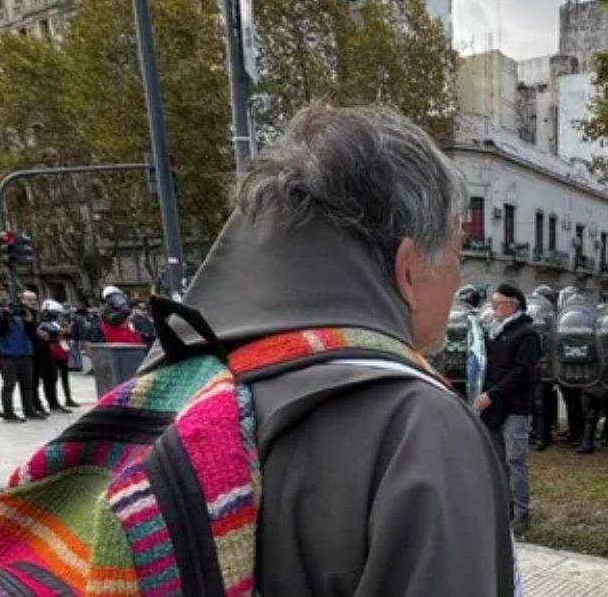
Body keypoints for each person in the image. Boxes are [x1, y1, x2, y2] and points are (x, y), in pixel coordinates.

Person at [144, 105, 515, 594]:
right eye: (455, 255)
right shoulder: (418, 425)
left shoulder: (181, 377)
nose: (458, 278)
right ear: (407, 268)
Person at [477, 283, 540, 535]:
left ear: (513, 305)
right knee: (496, 460)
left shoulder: (527, 334)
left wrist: (492, 394)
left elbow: (522, 373)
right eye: (492, 303)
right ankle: (503, 508)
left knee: (515, 460)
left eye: (498, 303)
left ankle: (521, 514)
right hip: (492, 406)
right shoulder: (494, 331)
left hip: (514, 406)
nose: (493, 308)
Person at [0, 290, 40, 421]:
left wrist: (30, 319)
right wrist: (3, 319)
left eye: (4, 295)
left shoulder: (19, 314)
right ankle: (8, 413)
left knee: (28, 385)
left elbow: (31, 333)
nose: (3, 297)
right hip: (7, 355)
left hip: (25, 353)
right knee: (9, 385)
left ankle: (29, 410)